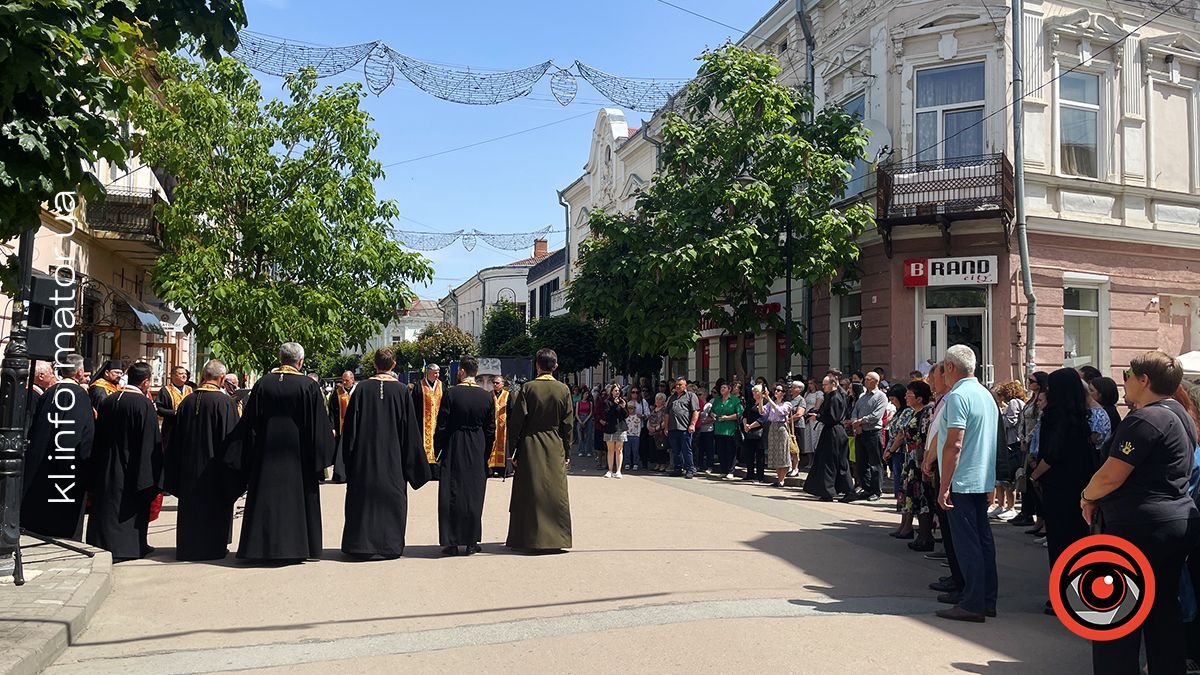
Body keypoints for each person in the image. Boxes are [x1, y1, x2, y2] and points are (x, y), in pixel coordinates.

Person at [1082, 352, 1200, 674]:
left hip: (1138, 528)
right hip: (1173, 524)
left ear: (1144, 380)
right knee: (1162, 612)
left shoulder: (1145, 419)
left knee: (1116, 615)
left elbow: (1111, 475)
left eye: (1127, 375)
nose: (1125, 383)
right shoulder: (1181, 414)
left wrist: (1086, 497)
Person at [235, 342, 334, 562]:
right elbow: (318, 426)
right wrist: (321, 456)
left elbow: (250, 423)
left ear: (281, 359)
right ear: (300, 362)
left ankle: (259, 548)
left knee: (264, 497)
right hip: (298, 455)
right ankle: (298, 548)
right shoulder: (308, 386)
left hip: (265, 453)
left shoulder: (262, 384)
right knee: (297, 500)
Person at [340, 348, 431, 559]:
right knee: (391, 500)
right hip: (393, 460)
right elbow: (410, 431)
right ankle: (389, 546)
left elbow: (350, 429)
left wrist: (347, 462)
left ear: (374, 365)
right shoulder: (400, 391)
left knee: (363, 500)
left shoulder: (361, 389)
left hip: (365, 459)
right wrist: (415, 466)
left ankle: (360, 545)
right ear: (394, 365)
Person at [933, 345, 999, 623]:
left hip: (961, 480)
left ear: (950, 367)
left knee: (967, 544)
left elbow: (954, 444)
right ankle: (985, 600)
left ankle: (972, 603)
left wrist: (944, 484)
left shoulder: (958, 396)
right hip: (981, 478)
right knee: (983, 542)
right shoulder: (985, 395)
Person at [1029, 368, 1095, 614]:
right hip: (1079, 486)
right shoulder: (1081, 415)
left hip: (1058, 487)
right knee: (1077, 540)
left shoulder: (1054, 416)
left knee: (1060, 542)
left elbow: (1052, 454)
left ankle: (1061, 598)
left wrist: (1034, 475)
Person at [164, 359, 241, 561]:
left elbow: (176, 438)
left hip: (188, 466)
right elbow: (231, 440)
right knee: (214, 510)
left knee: (191, 509)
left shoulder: (187, 401)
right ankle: (213, 548)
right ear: (222, 378)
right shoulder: (224, 403)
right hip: (214, 469)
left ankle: (189, 547)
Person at [86, 361, 162, 562]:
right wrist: (151, 473)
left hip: (106, 463)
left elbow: (98, 434)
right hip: (132, 467)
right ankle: (128, 547)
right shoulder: (143, 404)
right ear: (145, 382)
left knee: (107, 504)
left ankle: (102, 543)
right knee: (126, 508)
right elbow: (150, 442)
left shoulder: (110, 400)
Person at [507, 348, 574, 552]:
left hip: (530, 442)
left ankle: (526, 538)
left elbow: (516, 422)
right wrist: (567, 452)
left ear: (537, 365)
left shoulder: (528, 388)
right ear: (555, 366)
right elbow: (568, 424)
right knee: (555, 492)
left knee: (529, 491)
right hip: (554, 443)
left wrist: (513, 451)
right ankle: (557, 539)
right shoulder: (563, 390)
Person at [22, 353, 93, 540]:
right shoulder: (78, 395)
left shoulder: (49, 393)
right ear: (79, 372)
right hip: (65, 466)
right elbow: (77, 435)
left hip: (43, 461)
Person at [435, 356, 495, 556]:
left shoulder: (451, 394)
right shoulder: (486, 396)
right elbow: (490, 429)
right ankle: (471, 541)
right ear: (475, 373)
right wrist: (485, 452)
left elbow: (442, 425)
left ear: (461, 371)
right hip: (477, 445)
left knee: (451, 492)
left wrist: (439, 449)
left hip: (454, 443)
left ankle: (451, 541)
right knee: (474, 493)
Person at [890, 380, 933, 546]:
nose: (906, 397)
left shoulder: (927, 412)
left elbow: (925, 437)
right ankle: (908, 528)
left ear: (920, 398)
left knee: (922, 496)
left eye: (910, 395)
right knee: (909, 495)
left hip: (919, 458)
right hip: (910, 458)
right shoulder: (913, 413)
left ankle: (924, 536)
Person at [803, 375, 852, 501]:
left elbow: (832, 417)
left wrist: (817, 417)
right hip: (833, 431)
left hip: (833, 432)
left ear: (833, 384)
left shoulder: (835, 397)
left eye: (825, 384)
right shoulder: (833, 396)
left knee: (829, 462)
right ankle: (841, 490)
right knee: (837, 462)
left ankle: (830, 491)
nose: (823, 387)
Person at [1010, 371, 1049, 528]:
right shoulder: (1031, 400)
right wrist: (1021, 437)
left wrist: (1027, 439)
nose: (1029, 383)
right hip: (1025, 442)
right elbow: (1022, 420)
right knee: (1025, 479)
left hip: (1034, 443)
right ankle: (1027, 513)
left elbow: (1039, 423)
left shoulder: (1042, 399)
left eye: (1032, 380)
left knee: (1033, 480)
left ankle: (1039, 518)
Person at [845, 371, 887, 502]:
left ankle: (876, 490)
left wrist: (860, 421)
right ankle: (866, 488)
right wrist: (855, 422)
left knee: (875, 463)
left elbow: (876, 416)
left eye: (869, 379)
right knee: (861, 463)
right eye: (866, 379)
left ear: (876, 381)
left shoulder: (881, 397)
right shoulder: (862, 396)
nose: (866, 381)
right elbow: (855, 411)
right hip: (860, 433)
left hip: (873, 433)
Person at [990, 380, 1026, 521]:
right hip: (1009, 443)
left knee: (1008, 477)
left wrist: (1000, 413)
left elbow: (1009, 421)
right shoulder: (1014, 404)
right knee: (1001, 479)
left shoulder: (1014, 403)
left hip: (1012, 443)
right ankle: (1002, 505)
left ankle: (1010, 507)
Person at [412, 363, 445, 479]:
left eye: (438, 372)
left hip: (437, 424)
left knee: (437, 445)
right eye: (435, 373)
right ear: (429, 372)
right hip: (422, 424)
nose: (437, 375)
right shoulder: (418, 386)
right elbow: (413, 405)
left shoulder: (442, 386)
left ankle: (436, 472)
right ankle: (423, 473)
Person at [883, 384, 912, 513]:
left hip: (901, 452)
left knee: (901, 483)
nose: (892, 402)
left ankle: (904, 511)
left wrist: (891, 450)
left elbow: (901, 434)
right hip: (894, 452)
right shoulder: (898, 412)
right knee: (897, 481)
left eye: (894, 399)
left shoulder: (907, 411)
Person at [762, 383, 797, 487]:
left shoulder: (787, 404)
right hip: (773, 427)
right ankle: (779, 478)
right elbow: (762, 412)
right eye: (775, 390)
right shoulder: (770, 403)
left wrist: (768, 398)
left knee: (783, 453)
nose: (776, 392)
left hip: (781, 428)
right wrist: (760, 399)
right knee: (775, 453)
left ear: (784, 393)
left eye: (778, 390)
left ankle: (782, 479)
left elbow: (780, 411)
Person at [325, 371, 356, 484]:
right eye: (343, 380)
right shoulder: (337, 393)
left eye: (346, 380)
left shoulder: (357, 391)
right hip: (340, 426)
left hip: (355, 427)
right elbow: (332, 411)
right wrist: (332, 427)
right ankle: (340, 475)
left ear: (352, 380)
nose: (344, 382)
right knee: (341, 451)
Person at [155, 365, 193, 453]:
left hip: (187, 427)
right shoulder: (165, 390)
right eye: (180, 374)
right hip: (171, 428)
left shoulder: (190, 390)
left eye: (185, 374)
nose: (184, 376)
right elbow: (160, 409)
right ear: (172, 376)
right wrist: (175, 413)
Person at [666, 377, 699, 479]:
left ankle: (690, 469)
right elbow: (667, 413)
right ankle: (678, 468)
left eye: (680, 385)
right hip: (673, 428)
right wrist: (666, 426)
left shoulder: (690, 396)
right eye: (676, 385)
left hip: (685, 428)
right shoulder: (672, 397)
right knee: (676, 451)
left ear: (685, 385)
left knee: (686, 450)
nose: (677, 386)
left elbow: (695, 411)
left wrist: (692, 424)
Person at [710, 382, 742, 480]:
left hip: (730, 430)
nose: (722, 389)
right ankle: (723, 470)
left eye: (724, 387)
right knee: (721, 451)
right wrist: (713, 415)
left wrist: (727, 418)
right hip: (719, 429)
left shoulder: (735, 400)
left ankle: (730, 471)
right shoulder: (717, 400)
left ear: (729, 389)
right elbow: (712, 411)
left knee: (730, 451)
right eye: (721, 387)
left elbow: (739, 414)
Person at [601, 383, 628, 478]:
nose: (617, 392)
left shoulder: (623, 401)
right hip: (610, 428)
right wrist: (615, 406)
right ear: (611, 391)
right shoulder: (607, 402)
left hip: (621, 427)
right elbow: (607, 415)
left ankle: (618, 471)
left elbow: (625, 415)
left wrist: (623, 407)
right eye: (615, 390)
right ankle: (610, 470)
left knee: (619, 450)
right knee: (610, 450)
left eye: (618, 390)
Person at [488, 376, 511, 478]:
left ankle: (503, 470)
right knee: (491, 446)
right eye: (494, 383)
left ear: (502, 384)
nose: (495, 385)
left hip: (503, 426)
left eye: (497, 383)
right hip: (492, 425)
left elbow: (511, 410)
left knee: (503, 447)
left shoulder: (507, 395)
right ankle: (491, 469)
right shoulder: (489, 395)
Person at [647, 394, 669, 472]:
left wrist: (656, 428)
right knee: (654, 449)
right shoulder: (654, 409)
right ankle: (657, 463)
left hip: (660, 432)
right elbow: (649, 419)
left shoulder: (664, 409)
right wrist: (649, 427)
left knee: (662, 448)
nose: (657, 401)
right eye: (656, 399)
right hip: (652, 432)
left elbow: (665, 421)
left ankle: (662, 464)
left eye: (660, 399)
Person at [695, 391, 715, 474]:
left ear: (705, 395)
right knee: (700, 449)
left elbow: (713, 418)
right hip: (699, 430)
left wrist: (701, 422)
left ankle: (710, 466)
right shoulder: (696, 405)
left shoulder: (709, 405)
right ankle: (699, 465)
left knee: (709, 449)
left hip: (708, 430)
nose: (698, 396)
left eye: (700, 394)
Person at [624, 400, 643, 471]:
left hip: (635, 436)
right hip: (627, 435)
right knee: (627, 450)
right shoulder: (626, 417)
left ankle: (635, 463)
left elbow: (639, 426)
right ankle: (627, 463)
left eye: (632, 408)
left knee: (635, 450)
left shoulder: (637, 417)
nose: (631, 409)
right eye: (629, 408)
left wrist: (638, 435)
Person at [574, 388, 593, 458]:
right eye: (585, 394)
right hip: (580, 417)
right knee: (580, 436)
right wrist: (580, 421)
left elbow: (591, 412)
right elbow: (576, 413)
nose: (586, 395)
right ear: (583, 395)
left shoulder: (590, 403)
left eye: (588, 394)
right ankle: (581, 451)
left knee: (588, 435)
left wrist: (585, 420)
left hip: (587, 418)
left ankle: (588, 451)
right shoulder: (578, 403)